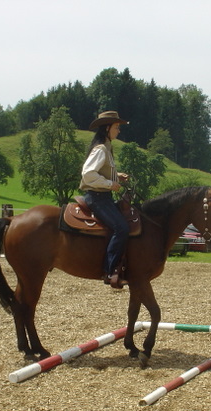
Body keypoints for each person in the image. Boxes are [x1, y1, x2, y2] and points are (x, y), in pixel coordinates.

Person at [79, 111, 130, 288]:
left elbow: (100, 171)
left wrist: (117, 176)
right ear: (107, 128)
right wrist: (110, 184)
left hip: (102, 197)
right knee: (121, 228)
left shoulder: (106, 148)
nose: (118, 131)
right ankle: (109, 271)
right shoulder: (101, 149)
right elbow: (88, 174)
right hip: (98, 198)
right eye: (116, 127)